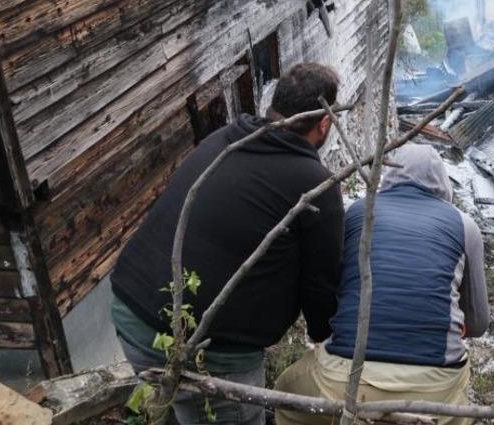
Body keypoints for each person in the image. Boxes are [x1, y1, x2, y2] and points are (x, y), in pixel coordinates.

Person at [110, 62, 343, 425]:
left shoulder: (223, 140)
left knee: (166, 410)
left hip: (131, 313)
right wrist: (324, 339)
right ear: (324, 123)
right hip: (212, 355)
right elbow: (320, 288)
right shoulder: (315, 185)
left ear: (274, 106)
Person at [275, 143, 489, 425]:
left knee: (287, 396)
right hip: (433, 388)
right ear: (443, 184)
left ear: (388, 176)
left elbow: (331, 288)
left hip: (345, 380)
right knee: (459, 409)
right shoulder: (464, 225)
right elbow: (478, 324)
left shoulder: (356, 211)